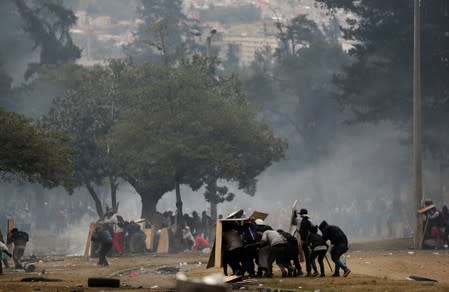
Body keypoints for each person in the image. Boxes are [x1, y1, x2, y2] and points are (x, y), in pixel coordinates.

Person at [298, 208, 313, 276]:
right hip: (308, 240)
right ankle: (309, 271)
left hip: (302, 240)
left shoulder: (300, 221)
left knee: (296, 255)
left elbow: (298, 230)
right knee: (308, 256)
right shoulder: (310, 221)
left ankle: (298, 270)